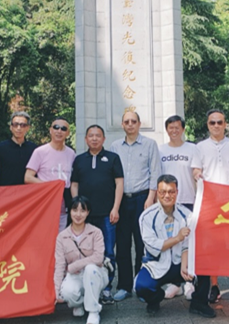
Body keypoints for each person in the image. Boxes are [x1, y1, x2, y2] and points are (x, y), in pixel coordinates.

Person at [134, 174, 215, 318]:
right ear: (157, 192)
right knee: (141, 287)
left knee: (204, 263)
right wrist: (177, 238)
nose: (167, 196)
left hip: (179, 262)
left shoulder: (186, 214)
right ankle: (155, 299)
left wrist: (185, 263)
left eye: (171, 191)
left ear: (177, 192)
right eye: (163, 192)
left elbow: (189, 242)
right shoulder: (147, 217)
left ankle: (199, 303)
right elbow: (153, 246)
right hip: (157, 264)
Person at [193, 109, 229, 304]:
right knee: (212, 246)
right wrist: (197, 175)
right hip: (210, 202)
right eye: (212, 122)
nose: (216, 126)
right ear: (208, 125)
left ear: (225, 124)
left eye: (219, 122)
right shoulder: (199, 147)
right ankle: (214, 286)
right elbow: (196, 170)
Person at [108, 111, 161, 301]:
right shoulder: (115, 146)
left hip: (143, 199)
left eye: (133, 121)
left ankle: (141, 284)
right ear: (122, 125)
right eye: (126, 122)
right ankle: (124, 286)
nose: (130, 124)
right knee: (122, 245)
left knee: (142, 244)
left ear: (139, 124)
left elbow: (155, 172)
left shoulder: (149, 144)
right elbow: (112, 175)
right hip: (122, 200)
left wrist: (151, 197)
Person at [70, 125, 124, 304]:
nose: (94, 138)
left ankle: (106, 289)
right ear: (85, 139)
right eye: (91, 136)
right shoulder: (79, 160)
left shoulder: (113, 158)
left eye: (98, 136)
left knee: (108, 252)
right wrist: (77, 209)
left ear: (103, 139)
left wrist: (115, 208)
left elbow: (119, 184)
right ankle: (87, 287)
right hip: (85, 217)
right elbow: (74, 185)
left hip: (107, 215)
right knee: (84, 251)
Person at [158, 114, 201, 299]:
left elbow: (196, 171)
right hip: (167, 203)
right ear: (166, 130)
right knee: (171, 241)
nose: (174, 131)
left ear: (183, 129)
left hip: (188, 200)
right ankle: (175, 282)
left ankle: (189, 281)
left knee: (189, 242)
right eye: (171, 128)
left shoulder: (192, 148)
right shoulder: (160, 150)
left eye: (177, 127)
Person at [54, 196, 108, 324]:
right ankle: (80, 303)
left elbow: (98, 257)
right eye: (75, 210)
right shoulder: (62, 237)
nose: (78, 214)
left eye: (82, 211)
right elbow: (60, 265)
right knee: (66, 292)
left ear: (88, 212)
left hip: (96, 273)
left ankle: (93, 311)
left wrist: (75, 265)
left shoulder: (96, 232)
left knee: (90, 268)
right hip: (75, 276)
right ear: (70, 211)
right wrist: (56, 292)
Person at [25, 117, 76, 230]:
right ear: (50, 130)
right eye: (56, 127)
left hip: (64, 204)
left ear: (68, 133)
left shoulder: (71, 153)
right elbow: (28, 177)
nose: (59, 131)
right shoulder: (40, 151)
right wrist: (51, 187)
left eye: (63, 129)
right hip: (45, 202)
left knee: (62, 236)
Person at [0, 111, 37, 186]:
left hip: (29, 192)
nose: (19, 128)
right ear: (11, 127)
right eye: (15, 124)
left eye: (23, 125)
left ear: (27, 128)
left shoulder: (34, 149)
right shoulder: (0, 148)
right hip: (6, 191)